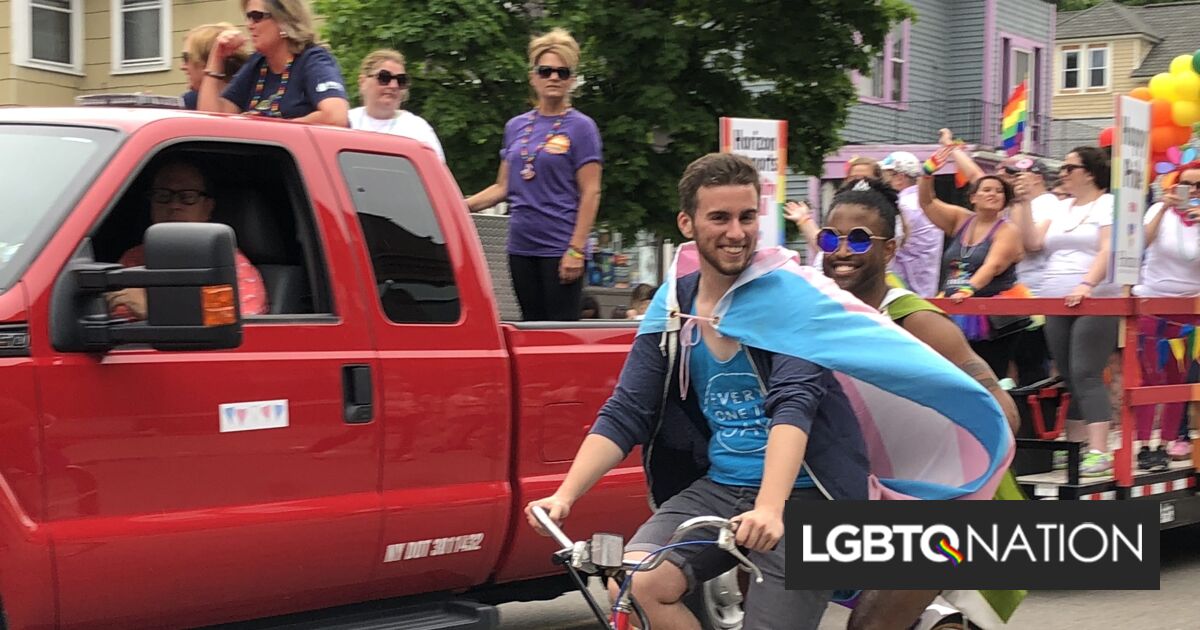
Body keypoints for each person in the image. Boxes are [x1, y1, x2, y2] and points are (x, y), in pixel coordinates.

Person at [524, 153, 867, 630]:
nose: (736, 232)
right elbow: (628, 410)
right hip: (723, 486)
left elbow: (795, 402)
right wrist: (564, 496)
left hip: (805, 495)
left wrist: (770, 508)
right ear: (687, 223)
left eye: (747, 217)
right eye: (719, 218)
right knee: (634, 583)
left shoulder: (791, 295)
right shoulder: (673, 305)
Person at [818, 178, 1024, 630]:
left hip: (946, 502)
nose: (841, 251)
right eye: (830, 238)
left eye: (858, 239)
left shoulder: (914, 320)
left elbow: (995, 400)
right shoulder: (821, 314)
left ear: (889, 251)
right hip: (876, 497)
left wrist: (975, 479)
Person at [465, 28, 602, 321]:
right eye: (546, 71)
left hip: (560, 247)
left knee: (558, 334)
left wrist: (576, 250)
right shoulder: (515, 126)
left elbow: (591, 192)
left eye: (562, 72)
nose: (554, 77)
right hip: (521, 245)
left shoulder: (582, 127)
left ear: (571, 80)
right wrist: (458, 206)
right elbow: (503, 186)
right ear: (533, 77)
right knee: (530, 327)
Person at [1012, 146, 1117, 476]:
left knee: (1087, 371)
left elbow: (1107, 249)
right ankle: (1074, 446)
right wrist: (1025, 203)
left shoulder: (1108, 203)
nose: (1063, 172)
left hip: (1096, 298)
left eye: (1069, 167)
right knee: (1069, 375)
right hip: (1055, 298)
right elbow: (1032, 244)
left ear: (1089, 172)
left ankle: (1100, 449)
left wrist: (1086, 284)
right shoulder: (1060, 207)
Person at [107, 159, 269, 320]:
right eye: (163, 196)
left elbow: (232, 334)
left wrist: (151, 311)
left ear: (207, 207)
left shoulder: (228, 266)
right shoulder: (134, 259)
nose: (174, 206)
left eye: (187, 197)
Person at [918, 152, 1026, 380]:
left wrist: (969, 288)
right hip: (954, 303)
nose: (993, 194)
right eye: (987, 190)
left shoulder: (1008, 230)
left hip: (991, 312)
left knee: (987, 373)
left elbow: (993, 265)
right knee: (949, 371)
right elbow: (927, 202)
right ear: (973, 197)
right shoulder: (960, 219)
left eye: (999, 191)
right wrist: (927, 173)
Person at [1131, 162, 1200, 467]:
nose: (1192, 191)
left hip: (1190, 310)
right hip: (1151, 303)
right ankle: (1145, 444)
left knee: (1177, 379)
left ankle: (1170, 440)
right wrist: (1162, 207)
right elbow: (1139, 243)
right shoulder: (1159, 211)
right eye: (1186, 184)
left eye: (1199, 187)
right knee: (1148, 378)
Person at [199, 0, 350, 126]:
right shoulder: (258, 63)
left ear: (283, 20)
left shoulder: (313, 59)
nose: (249, 25)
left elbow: (336, 116)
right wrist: (216, 57)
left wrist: (272, 131)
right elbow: (211, 121)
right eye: (247, 17)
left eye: (256, 16)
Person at [349, 49, 445, 162]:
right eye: (384, 78)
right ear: (362, 82)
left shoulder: (418, 130)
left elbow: (433, 175)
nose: (393, 86)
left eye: (401, 80)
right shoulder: (344, 122)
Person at [880, 151, 942, 297]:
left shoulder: (903, 206)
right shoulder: (927, 203)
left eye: (886, 175)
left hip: (903, 288)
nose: (881, 180)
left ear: (900, 178)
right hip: (925, 288)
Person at [179, 23, 249, 110]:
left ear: (207, 62)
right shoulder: (251, 96)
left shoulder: (191, 103)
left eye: (186, 58)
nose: (182, 67)